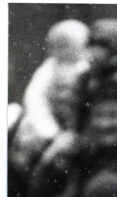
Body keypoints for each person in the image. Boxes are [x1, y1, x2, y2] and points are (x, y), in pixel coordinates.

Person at [15, 19, 88, 152]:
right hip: (50, 122)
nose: (62, 51)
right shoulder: (49, 68)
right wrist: (50, 131)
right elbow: (34, 98)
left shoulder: (87, 66)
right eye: (57, 46)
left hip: (79, 123)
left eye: (67, 45)